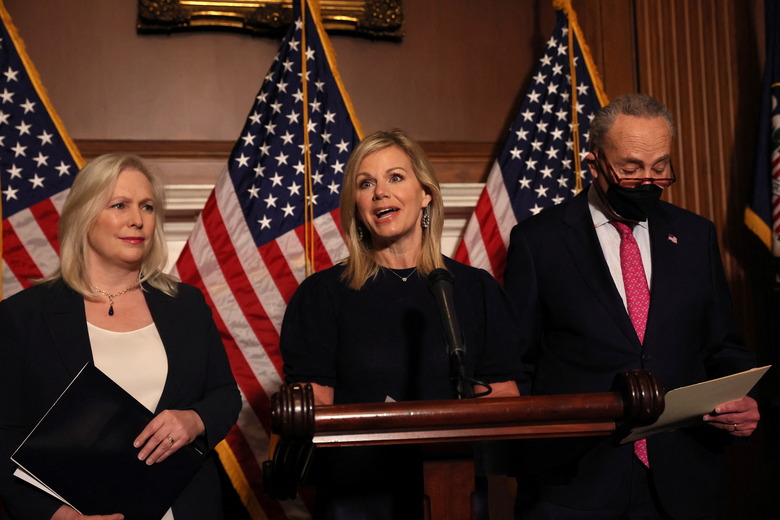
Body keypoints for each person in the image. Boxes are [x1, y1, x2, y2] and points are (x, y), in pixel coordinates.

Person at [504, 93, 760, 519]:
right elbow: (517, 363)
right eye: (631, 168)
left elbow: (723, 348)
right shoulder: (539, 241)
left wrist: (741, 400)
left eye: (660, 167)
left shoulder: (695, 236)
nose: (648, 180)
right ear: (595, 163)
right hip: (574, 486)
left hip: (685, 481)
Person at [280, 129, 523, 519]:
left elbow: (505, 398)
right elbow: (313, 409)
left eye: (396, 177)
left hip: (453, 488)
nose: (381, 192)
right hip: (358, 496)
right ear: (357, 205)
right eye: (366, 183)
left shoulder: (474, 289)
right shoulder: (323, 295)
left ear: (425, 193)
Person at [0, 154, 241, 520]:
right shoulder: (23, 316)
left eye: (146, 206)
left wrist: (194, 421)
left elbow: (225, 395)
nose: (138, 220)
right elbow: (5, 433)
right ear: (84, 215)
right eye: (120, 205)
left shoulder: (186, 305)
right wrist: (56, 515)